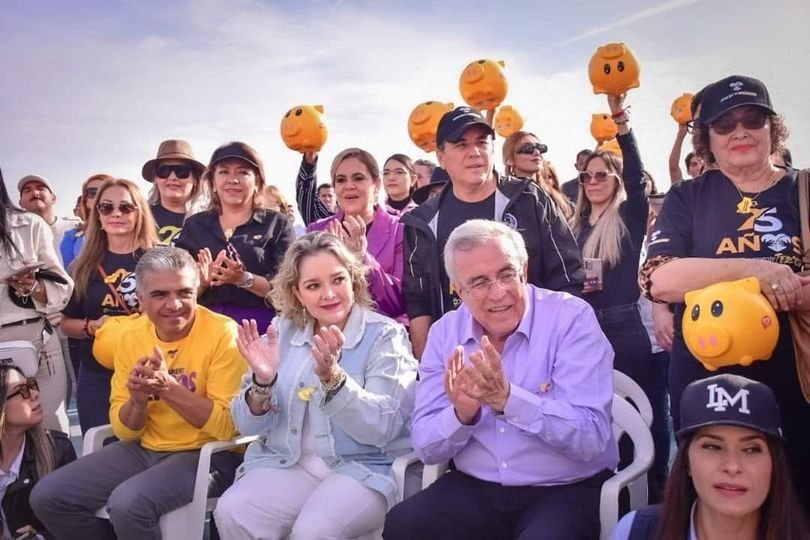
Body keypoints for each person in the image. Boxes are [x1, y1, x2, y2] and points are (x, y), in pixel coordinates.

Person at [384, 220, 617, 539]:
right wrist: (460, 416)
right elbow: (426, 448)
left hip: (565, 487)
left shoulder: (570, 319)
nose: (498, 293)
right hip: (478, 486)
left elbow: (591, 437)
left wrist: (508, 400)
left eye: (507, 274)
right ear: (458, 290)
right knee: (405, 525)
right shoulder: (444, 334)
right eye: (479, 282)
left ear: (524, 269)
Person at [641, 74, 810, 510]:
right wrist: (757, 270)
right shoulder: (687, 197)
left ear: (773, 127)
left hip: (796, 382)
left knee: (796, 500)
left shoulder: (805, 191)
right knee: (712, 505)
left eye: (753, 119)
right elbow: (660, 277)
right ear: (705, 139)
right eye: (724, 124)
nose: (740, 132)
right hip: (704, 381)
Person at [30, 247, 247, 540]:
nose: (175, 304)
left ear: (197, 291)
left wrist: (168, 389)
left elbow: (227, 429)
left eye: (185, 292)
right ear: (141, 300)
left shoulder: (223, 334)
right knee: (48, 497)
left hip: (210, 455)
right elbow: (126, 431)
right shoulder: (131, 336)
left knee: (129, 503)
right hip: (146, 447)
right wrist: (137, 400)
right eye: (160, 295)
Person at [214, 232, 417, 539]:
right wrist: (262, 382)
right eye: (313, 286)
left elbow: (382, 427)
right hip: (290, 463)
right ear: (297, 293)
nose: (329, 294)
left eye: (338, 280)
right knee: (234, 510)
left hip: (364, 468)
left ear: (353, 279)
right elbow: (244, 423)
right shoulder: (281, 331)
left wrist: (333, 380)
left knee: (313, 531)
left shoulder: (385, 335)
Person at [402, 106, 584, 358]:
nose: (474, 152)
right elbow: (418, 301)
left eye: (482, 142)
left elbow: (567, 278)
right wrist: (429, 367)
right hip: (461, 356)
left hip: (534, 351)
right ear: (441, 156)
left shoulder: (528, 199)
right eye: (461, 144)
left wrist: (555, 346)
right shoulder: (423, 221)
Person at [611, 374, 810, 539]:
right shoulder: (635, 532)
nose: (732, 466)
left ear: (774, 463)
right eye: (713, 447)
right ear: (686, 461)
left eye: (751, 449)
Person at [569, 93, 652, 400]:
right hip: (584, 328)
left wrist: (621, 123)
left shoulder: (628, 217)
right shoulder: (574, 225)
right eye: (586, 176)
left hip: (623, 326)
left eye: (601, 174)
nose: (592, 181)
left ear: (616, 179)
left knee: (634, 413)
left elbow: (636, 179)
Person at [60, 178, 157, 433]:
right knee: (98, 447)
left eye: (125, 207)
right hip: (97, 374)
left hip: (147, 371)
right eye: (106, 207)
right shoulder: (82, 266)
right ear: (98, 216)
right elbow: (66, 322)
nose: (116, 213)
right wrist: (91, 327)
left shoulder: (161, 260)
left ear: (139, 213)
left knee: (149, 446)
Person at [175, 141, 296, 331]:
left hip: (262, 328)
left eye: (243, 172)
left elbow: (290, 289)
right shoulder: (194, 225)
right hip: (204, 326)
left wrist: (244, 279)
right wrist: (202, 282)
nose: (233, 179)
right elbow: (176, 290)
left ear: (257, 182)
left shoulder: (277, 223)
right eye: (224, 172)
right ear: (213, 182)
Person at [0, 167, 73, 433]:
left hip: (37, 344)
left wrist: (32, 284)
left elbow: (62, 291)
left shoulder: (29, 225)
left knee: (52, 433)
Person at [305, 148, 408, 325]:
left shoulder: (400, 231)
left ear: (376, 184)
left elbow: (398, 302)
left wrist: (362, 259)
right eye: (341, 180)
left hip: (381, 333)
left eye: (358, 178)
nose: (349, 186)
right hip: (328, 334)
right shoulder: (317, 231)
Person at [0, 359, 76, 539]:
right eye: (21, 391)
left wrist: (42, 536)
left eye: (31, 385)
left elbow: (76, 520)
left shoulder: (57, 449)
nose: (34, 394)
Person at [142, 139, 206, 246]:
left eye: (181, 171)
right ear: (155, 179)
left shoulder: (210, 222)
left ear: (195, 179)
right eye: (164, 171)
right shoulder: (140, 218)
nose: (172, 177)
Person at [501, 131, 573, 218]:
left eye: (540, 148)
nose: (537, 153)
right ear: (510, 159)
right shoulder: (501, 196)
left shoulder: (555, 197)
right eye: (527, 148)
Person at [17, 175, 80, 265]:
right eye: (27, 191)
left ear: (53, 198)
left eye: (41, 188)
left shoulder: (75, 228)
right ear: (20, 203)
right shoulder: (15, 237)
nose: (35, 193)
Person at [60, 174, 113, 270]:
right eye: (93, 193)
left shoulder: (133, 230)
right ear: (86, 201)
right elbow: (66, 277)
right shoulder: (72, 237)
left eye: (105, 191)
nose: (99, 197)